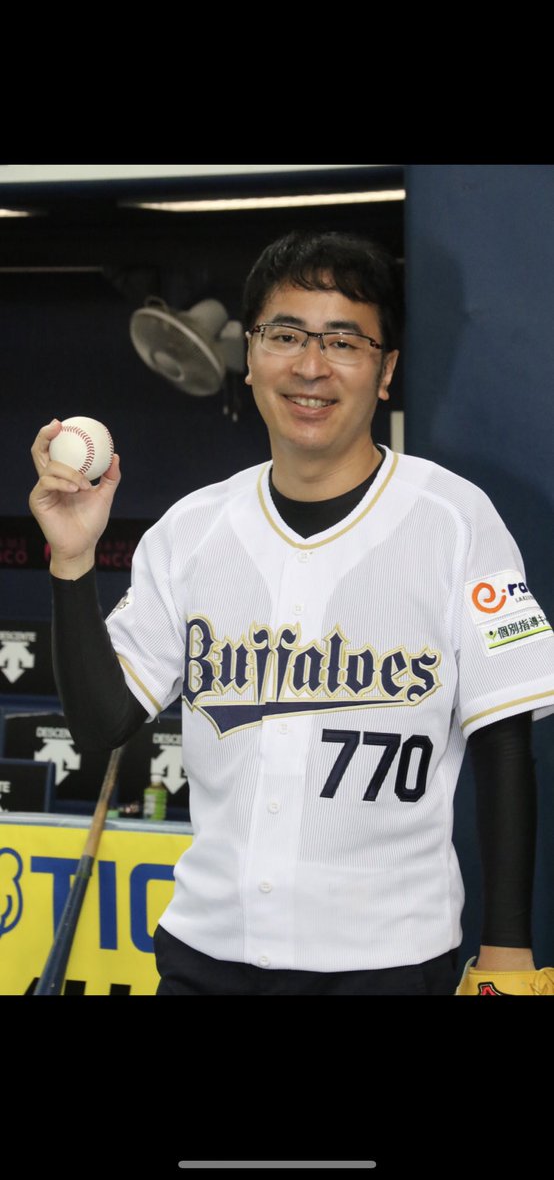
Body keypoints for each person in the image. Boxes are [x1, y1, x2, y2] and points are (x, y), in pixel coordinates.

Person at [29, 230, 554, 996]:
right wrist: (72, 560)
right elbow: (100, 724)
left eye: (343, 341)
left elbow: (504, 745)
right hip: (207, 952)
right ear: (250, 354)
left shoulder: (457, 520)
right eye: (285, 335)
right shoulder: (191, 529)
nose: (311, 366)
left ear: (387, 370)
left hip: (388, 959)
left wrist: (508, 951)